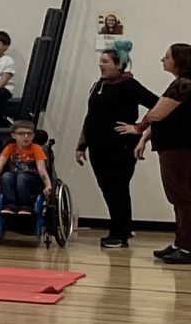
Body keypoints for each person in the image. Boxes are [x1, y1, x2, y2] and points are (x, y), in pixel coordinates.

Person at [78, 44, 156, 250]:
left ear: (119, 65)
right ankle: (124, 227)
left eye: (105, 62)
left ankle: (118, 233)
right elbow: (91, 116)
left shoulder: (129, 85)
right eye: (100, 61)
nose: (100, 65)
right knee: (108, 189)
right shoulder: (99, 84)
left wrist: (139, 127)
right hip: (97, 145)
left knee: (117, 189)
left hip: (119, 146)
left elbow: (157, 105)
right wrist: (81, 144)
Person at [130, 43, 191, 265]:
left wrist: (139, 127)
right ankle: (179, 243)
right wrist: (145, 138)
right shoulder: (179, 84)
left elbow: (157, 113)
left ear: (179, 61)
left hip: (180, 149)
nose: (162, 60)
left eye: (167, 57)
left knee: (183, 197)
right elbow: (163, 117)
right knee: (177, 197)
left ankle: (186, 248)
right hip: (172, 147)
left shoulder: (183, 85)